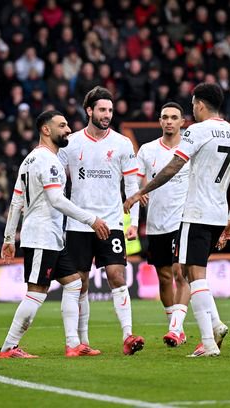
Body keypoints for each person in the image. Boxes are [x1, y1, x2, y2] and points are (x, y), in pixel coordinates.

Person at [124, 83, 230, 357]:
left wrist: (142, 191)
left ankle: (209, 342)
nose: (192, 109)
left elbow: (174, 165)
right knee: (190, 273)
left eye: (192, 105)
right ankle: (213, 326)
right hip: (218, 212)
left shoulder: (196, 131)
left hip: (195, 213)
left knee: (194, 275)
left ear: (200, 104)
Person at [0, 110, 110, 358]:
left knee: (74, 283)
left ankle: (73, 344)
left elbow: (17, 200)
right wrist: (91, 219)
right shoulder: (47, 161)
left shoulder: (29, 160)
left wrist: (9, 238)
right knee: (37, 291)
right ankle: (9, 347)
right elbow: (56, 199)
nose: (68, 129)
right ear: (46, 130)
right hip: (41, 236)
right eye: (62, 125)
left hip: (52, 238)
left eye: (68, 125)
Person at [58, 86, 145, 355]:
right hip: (78, 224)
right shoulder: (71, 143)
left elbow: (132, 186)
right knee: (79, 282)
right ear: (89, 111)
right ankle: (80, 341)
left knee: (117, 275)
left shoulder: (121, 143)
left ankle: (128, 336)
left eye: (110, 110)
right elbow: (57, 182)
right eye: (102, 110)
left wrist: (133, 222)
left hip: (112, 223)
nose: (107, 114)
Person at [135, 102, 190, 347]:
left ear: (182, 122)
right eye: (165, 117)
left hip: (184, 219)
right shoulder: (147, 150)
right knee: (165, 276)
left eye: (174, 117)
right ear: (159, 121)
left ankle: (176, 328)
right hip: (157, 222)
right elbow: (134, 181)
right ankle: (174, 325)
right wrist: (139, 191)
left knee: (181, 272)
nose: (169, 121)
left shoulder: (191, 149)